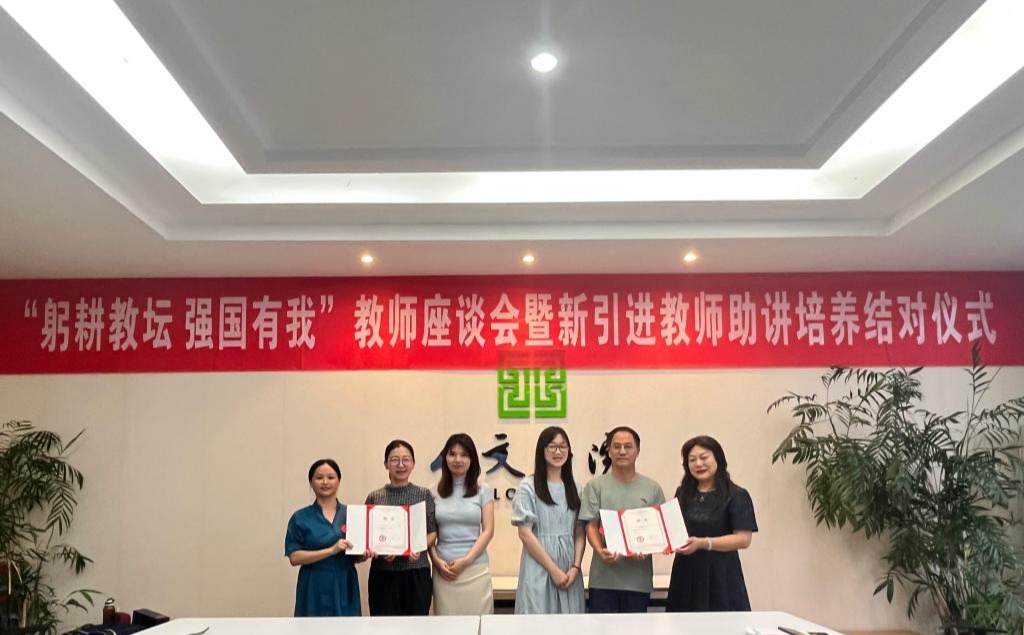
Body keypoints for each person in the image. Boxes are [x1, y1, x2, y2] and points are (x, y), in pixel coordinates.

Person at [579, 426, 666, 613]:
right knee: (601, 627)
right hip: (603, 580)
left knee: (635, 628)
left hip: (638, 581)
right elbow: (591, 525)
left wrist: (646, 549)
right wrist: (601, 551)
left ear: (638, 450)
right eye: (616, 446)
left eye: (628, 446)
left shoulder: (652, 488)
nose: (622, 451)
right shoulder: (595, 486)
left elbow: (659, 530)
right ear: (609, 451)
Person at [666, 435, 757, 612]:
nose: (698, 464)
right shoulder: (682, 493)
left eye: (704, 457)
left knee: (723, 623)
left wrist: (703, 543)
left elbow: (743, 540)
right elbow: (672, 530)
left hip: (721, 574)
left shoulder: (736, 495)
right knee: (683, 623)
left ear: (718, 458)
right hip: (685, 572)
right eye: (692, 460)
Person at [511, 426, 586, 614]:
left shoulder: (576, 488)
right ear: (542, 450)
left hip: (569, 570)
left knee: (570, 622)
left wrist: (576, 567)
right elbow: (525, 534)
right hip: (538, 566)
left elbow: (579, 531)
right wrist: (553, 570)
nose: (558, 452)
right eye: (552, 446)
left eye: (563, 446)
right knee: (537, 621)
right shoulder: (528, 487)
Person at [364, 440, 438, 616]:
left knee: (416, 626)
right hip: (383, 573)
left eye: (406, 460)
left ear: (413, 463)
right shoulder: (374, 497)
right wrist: (380, 549)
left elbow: (432, 533)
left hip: (416, 571)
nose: (400, 465)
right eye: (394, 460)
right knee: (384, 626)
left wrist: (416, 546)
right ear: (386, 464)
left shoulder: (423, 494)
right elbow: (368, 537)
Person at [284, 459, 363, 617]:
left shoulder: (353, 514)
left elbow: (357, 556)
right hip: (314, 584)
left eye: (331, 477)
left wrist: (365, 554)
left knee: (347, 626)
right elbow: (294, 557)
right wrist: (331, 550)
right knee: (311, 626)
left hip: (345, 583)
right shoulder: (300, 517)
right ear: (311, 482)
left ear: (339, 480)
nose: (325, 482)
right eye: (319, 478)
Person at [429, 433, 496, 615]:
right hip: (444, 572)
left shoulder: (483, 490)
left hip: (475, 569)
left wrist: (466, 561)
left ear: (472, 459)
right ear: (445, 458)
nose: (458, 459)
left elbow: (488, 531)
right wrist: (436, 561)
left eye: (464, 455)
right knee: (447, 626)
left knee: (479, 624)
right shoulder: (433, 493)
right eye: (452, 454)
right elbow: (429, 534)